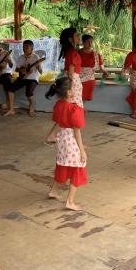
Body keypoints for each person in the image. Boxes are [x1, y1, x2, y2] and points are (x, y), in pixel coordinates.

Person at [45, 77, 87, 211]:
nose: (75, 90)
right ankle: (70, 201)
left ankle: (54, 191)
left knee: (63, 164)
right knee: (77, 167)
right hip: (70, 141)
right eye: (73, 88)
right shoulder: (74, 109)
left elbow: (58, 123)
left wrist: (52, 135)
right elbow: (77, 132)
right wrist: (82, 150)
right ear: (69, 92)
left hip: (61, 140)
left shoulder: (59, 105)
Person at [9, 40, 44, 117]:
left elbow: (41, 72)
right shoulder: (21, 57)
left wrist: (38, 66)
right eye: (23, 47)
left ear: (32, 48)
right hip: (23, 78)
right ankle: (11, 109)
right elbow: (16, 69)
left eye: (27, 47)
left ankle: (31, 105)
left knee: (28, 92)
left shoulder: (36, 57)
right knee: (10, 88)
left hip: (32, 78)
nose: (24, 49)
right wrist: (22, 70)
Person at [59, 27, 84, 112]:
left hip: (72, 79)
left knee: (70, 104)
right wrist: (71, 87)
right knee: (74, 105)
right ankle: (74, 123)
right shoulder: (72, 52)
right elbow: (70, 72)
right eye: (76, 35)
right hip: (73, 80)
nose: (79, 37)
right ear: (70, 39)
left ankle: (69, 123)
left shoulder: (71, 51)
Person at [79, 34, 108, 101]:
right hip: (78, 77)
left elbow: (101, 68)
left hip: (90, 78)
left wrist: (105, 72)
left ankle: (80, 109)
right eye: (87, 42)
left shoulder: (96, 54)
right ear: (83, 42)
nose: (90, 44)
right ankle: (79, 110)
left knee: (82, 99)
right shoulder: (77, 53)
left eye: (91, 42)